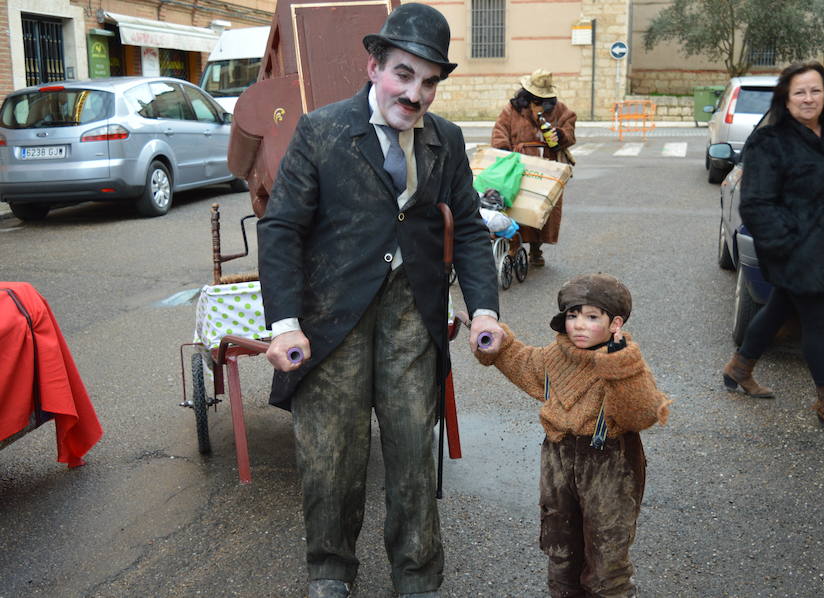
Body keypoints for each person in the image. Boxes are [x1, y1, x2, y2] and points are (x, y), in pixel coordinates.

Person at [255, 5, 503, 597]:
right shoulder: (321, 130)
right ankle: (331, 571)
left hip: (410, 315)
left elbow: (467, 227)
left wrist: (485, 310)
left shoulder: (445, 139)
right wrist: (284, 323)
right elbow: (282, 227)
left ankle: (417, 576)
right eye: (403, 75)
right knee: (332, 454)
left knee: (414, 450)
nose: (415, 94)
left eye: (428, 81)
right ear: (374, 67)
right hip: (331, 316)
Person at [475, 273, 671, 598]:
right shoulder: (554, 357)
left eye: (592, 317)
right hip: (557, 464)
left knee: (607, 559)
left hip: (609, 467)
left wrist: (620, 367)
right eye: (572, 315)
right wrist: (496, 344)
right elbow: (520, 361)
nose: (579, 325)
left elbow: (642, 413)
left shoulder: (624, 362)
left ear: (615, 323)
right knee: (561, 550)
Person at [721, 60, 824, 440]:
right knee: (818, 322)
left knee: (778, 308)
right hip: (796, 251)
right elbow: (756, 203)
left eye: (815, 90)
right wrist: (790, 246)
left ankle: (739, 368)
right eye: (800, 92)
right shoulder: (769, 142)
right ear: (785, 100)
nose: (809, 98)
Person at [490, 69, 577, 267]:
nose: (539, 102)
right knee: (516, 206)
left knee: (542, 207)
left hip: (547, 165)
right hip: (518, 164)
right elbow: (500, 131)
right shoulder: (511, 110)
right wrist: (504, 153)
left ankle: (536, 249)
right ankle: (514, 245)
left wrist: (560, 136)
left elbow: (569, 131)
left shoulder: (560, 110)